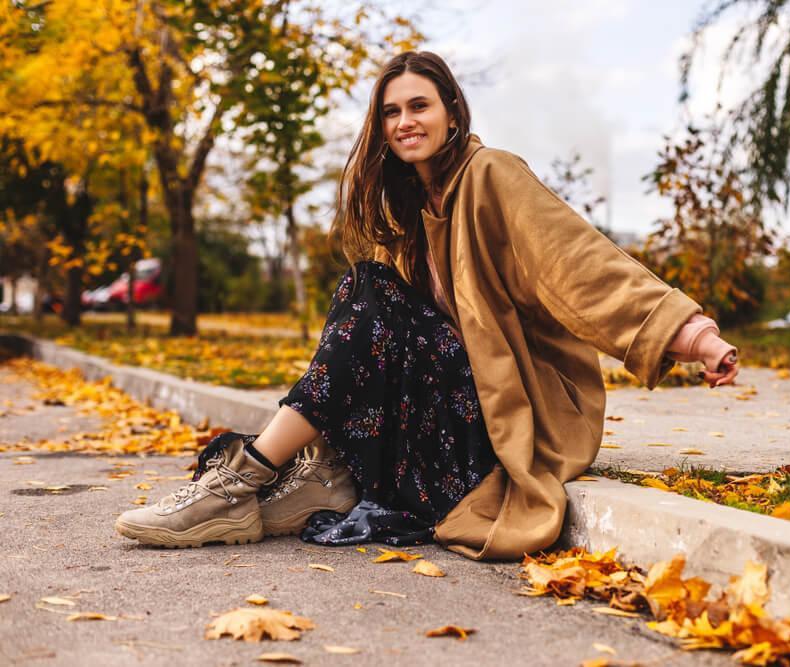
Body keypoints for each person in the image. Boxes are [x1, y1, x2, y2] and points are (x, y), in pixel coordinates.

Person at [115, 51, 739, 556]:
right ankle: (322, 474)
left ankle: (242, 478)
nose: (406, 121)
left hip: (512, 415)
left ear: (451, 112)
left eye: (420, 105)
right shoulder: (415, 210)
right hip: (447, 414)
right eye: (391, 111)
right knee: (366, 289)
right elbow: (370, 349)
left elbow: (580, 265)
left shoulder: (491, 174)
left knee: (372, 295)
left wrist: (696, 338)